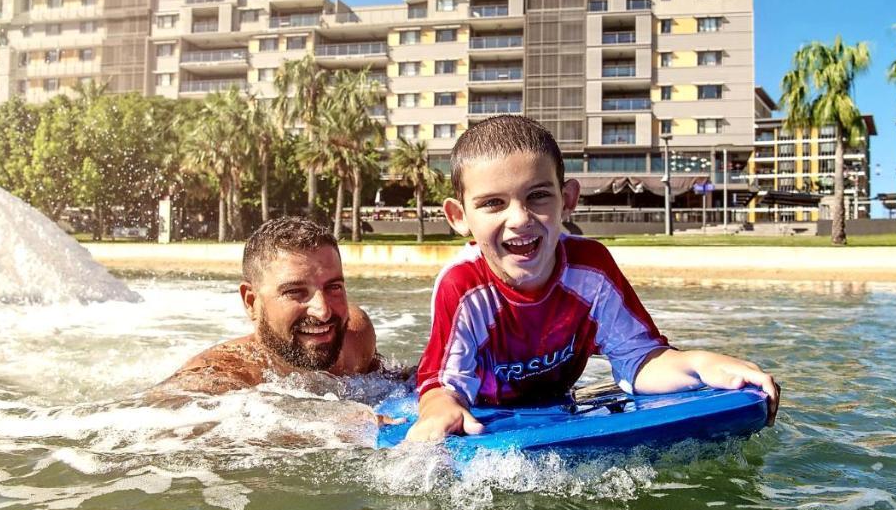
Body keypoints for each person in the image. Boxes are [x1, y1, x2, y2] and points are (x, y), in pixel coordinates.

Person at [407, 116, 781, 442]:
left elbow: (640, 360)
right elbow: (444, 383)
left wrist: (701, 364)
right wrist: (439, 407)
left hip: (557, 402)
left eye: (538, 196)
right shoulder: (465, 285)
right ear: (458, 217)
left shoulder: (590, 269)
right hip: (487, 406)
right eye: (492, 203)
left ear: (567, 200)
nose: (520, 218)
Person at [151, 216, 380, 397]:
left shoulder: (356, 335)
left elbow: (388, 378)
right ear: (251, 302)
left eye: (334, 287)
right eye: (295, 291)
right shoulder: (217, 378)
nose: (323, 311)